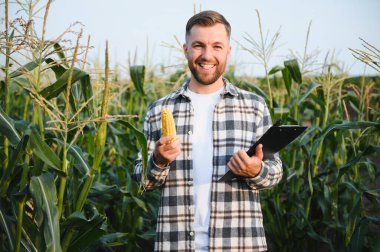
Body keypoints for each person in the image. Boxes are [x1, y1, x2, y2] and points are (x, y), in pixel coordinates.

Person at [135, 10, 283, 252]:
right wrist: (159, 161)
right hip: (176, 244)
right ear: (186, 50)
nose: (207, 55)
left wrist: (256, 170)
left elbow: (275, 172)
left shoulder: (254, 106)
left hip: (239, 244)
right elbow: (142, 182)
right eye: (198, 46)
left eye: (217, 46)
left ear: (228, 51)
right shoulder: (159, 110)